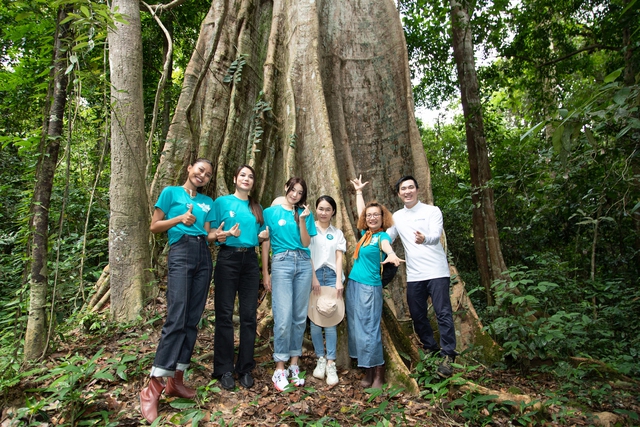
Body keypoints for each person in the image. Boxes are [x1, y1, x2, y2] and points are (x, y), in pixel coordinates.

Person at [140, 158, 221, 423]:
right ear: (189, 169)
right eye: (200, 170)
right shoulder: (170, 192)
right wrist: (179, 219)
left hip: (203, 254)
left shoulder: (208, 202)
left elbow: (207, 233)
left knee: (192, 319)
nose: (203, 176)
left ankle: (176, 379)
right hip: (181, 251)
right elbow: (154, 226)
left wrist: (221, 235)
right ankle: (152, 388)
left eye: (208, 175)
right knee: (176, 317)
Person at [386, 175, 457, 377]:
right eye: (403, 189)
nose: (407, 191)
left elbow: (436, 234)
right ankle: (431, 348)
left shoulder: (432, 211)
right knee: (417, 315)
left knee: (443, 312)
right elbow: (388, 237)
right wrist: (373, 242)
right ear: (399, 194)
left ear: (417, 190)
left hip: (436, 271)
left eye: (410, 187)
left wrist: (425, 238)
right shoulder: (397, 216)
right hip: (414, 274)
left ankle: (449, 354)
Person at [211, 165, 270, 390]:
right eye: (243, 175)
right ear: (235, 178)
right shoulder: (222, 202)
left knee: (248, 316)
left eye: (251, 176)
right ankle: (224, 368)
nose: (247, 179)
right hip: (228, 259)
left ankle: (244, 367)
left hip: (250, 263)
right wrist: (225, 235)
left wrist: (262, 236)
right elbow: (214, 234)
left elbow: (262, 236)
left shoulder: (257, 208)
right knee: (224, 314)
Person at [347, 175, 404, 389]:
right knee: (357, 328)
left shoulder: (382, 237)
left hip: (370, 288)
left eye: (376, 215)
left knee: (370, 329)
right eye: (369, 215)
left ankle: (379, 373)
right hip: (354, 285)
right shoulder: (365, 235)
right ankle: (368, 371)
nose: (371, 218)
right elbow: (362, 211)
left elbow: (388, 247)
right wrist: (359, 192)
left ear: (383, 218)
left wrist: (391, 255)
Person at [261, 178, 317, 391]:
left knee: (299, 317)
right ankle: (279, 368)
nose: (295, 194)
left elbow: (305, 243)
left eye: (299, 192)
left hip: (303, 263)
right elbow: (266, 242)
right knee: (283, 318)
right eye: (292, 190)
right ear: (286, 188)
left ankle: (294, 364)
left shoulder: (304, 214)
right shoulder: (270, 212)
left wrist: (302, 220)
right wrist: (266, 273)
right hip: (282, 262)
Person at [308, 195, 346, 386]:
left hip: (332, 276)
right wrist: (313, 277)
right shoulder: (309, 228)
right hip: (313, 275)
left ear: (333, 212)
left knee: (331, 320)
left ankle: (331, 362)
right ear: (316, 209)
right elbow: (307, 252)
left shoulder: (337, 233)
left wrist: (339, 280)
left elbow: (339, 257)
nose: (324, 212)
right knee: (315, 321)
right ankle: (320, 359)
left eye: (328, 209)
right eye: (321, 208)